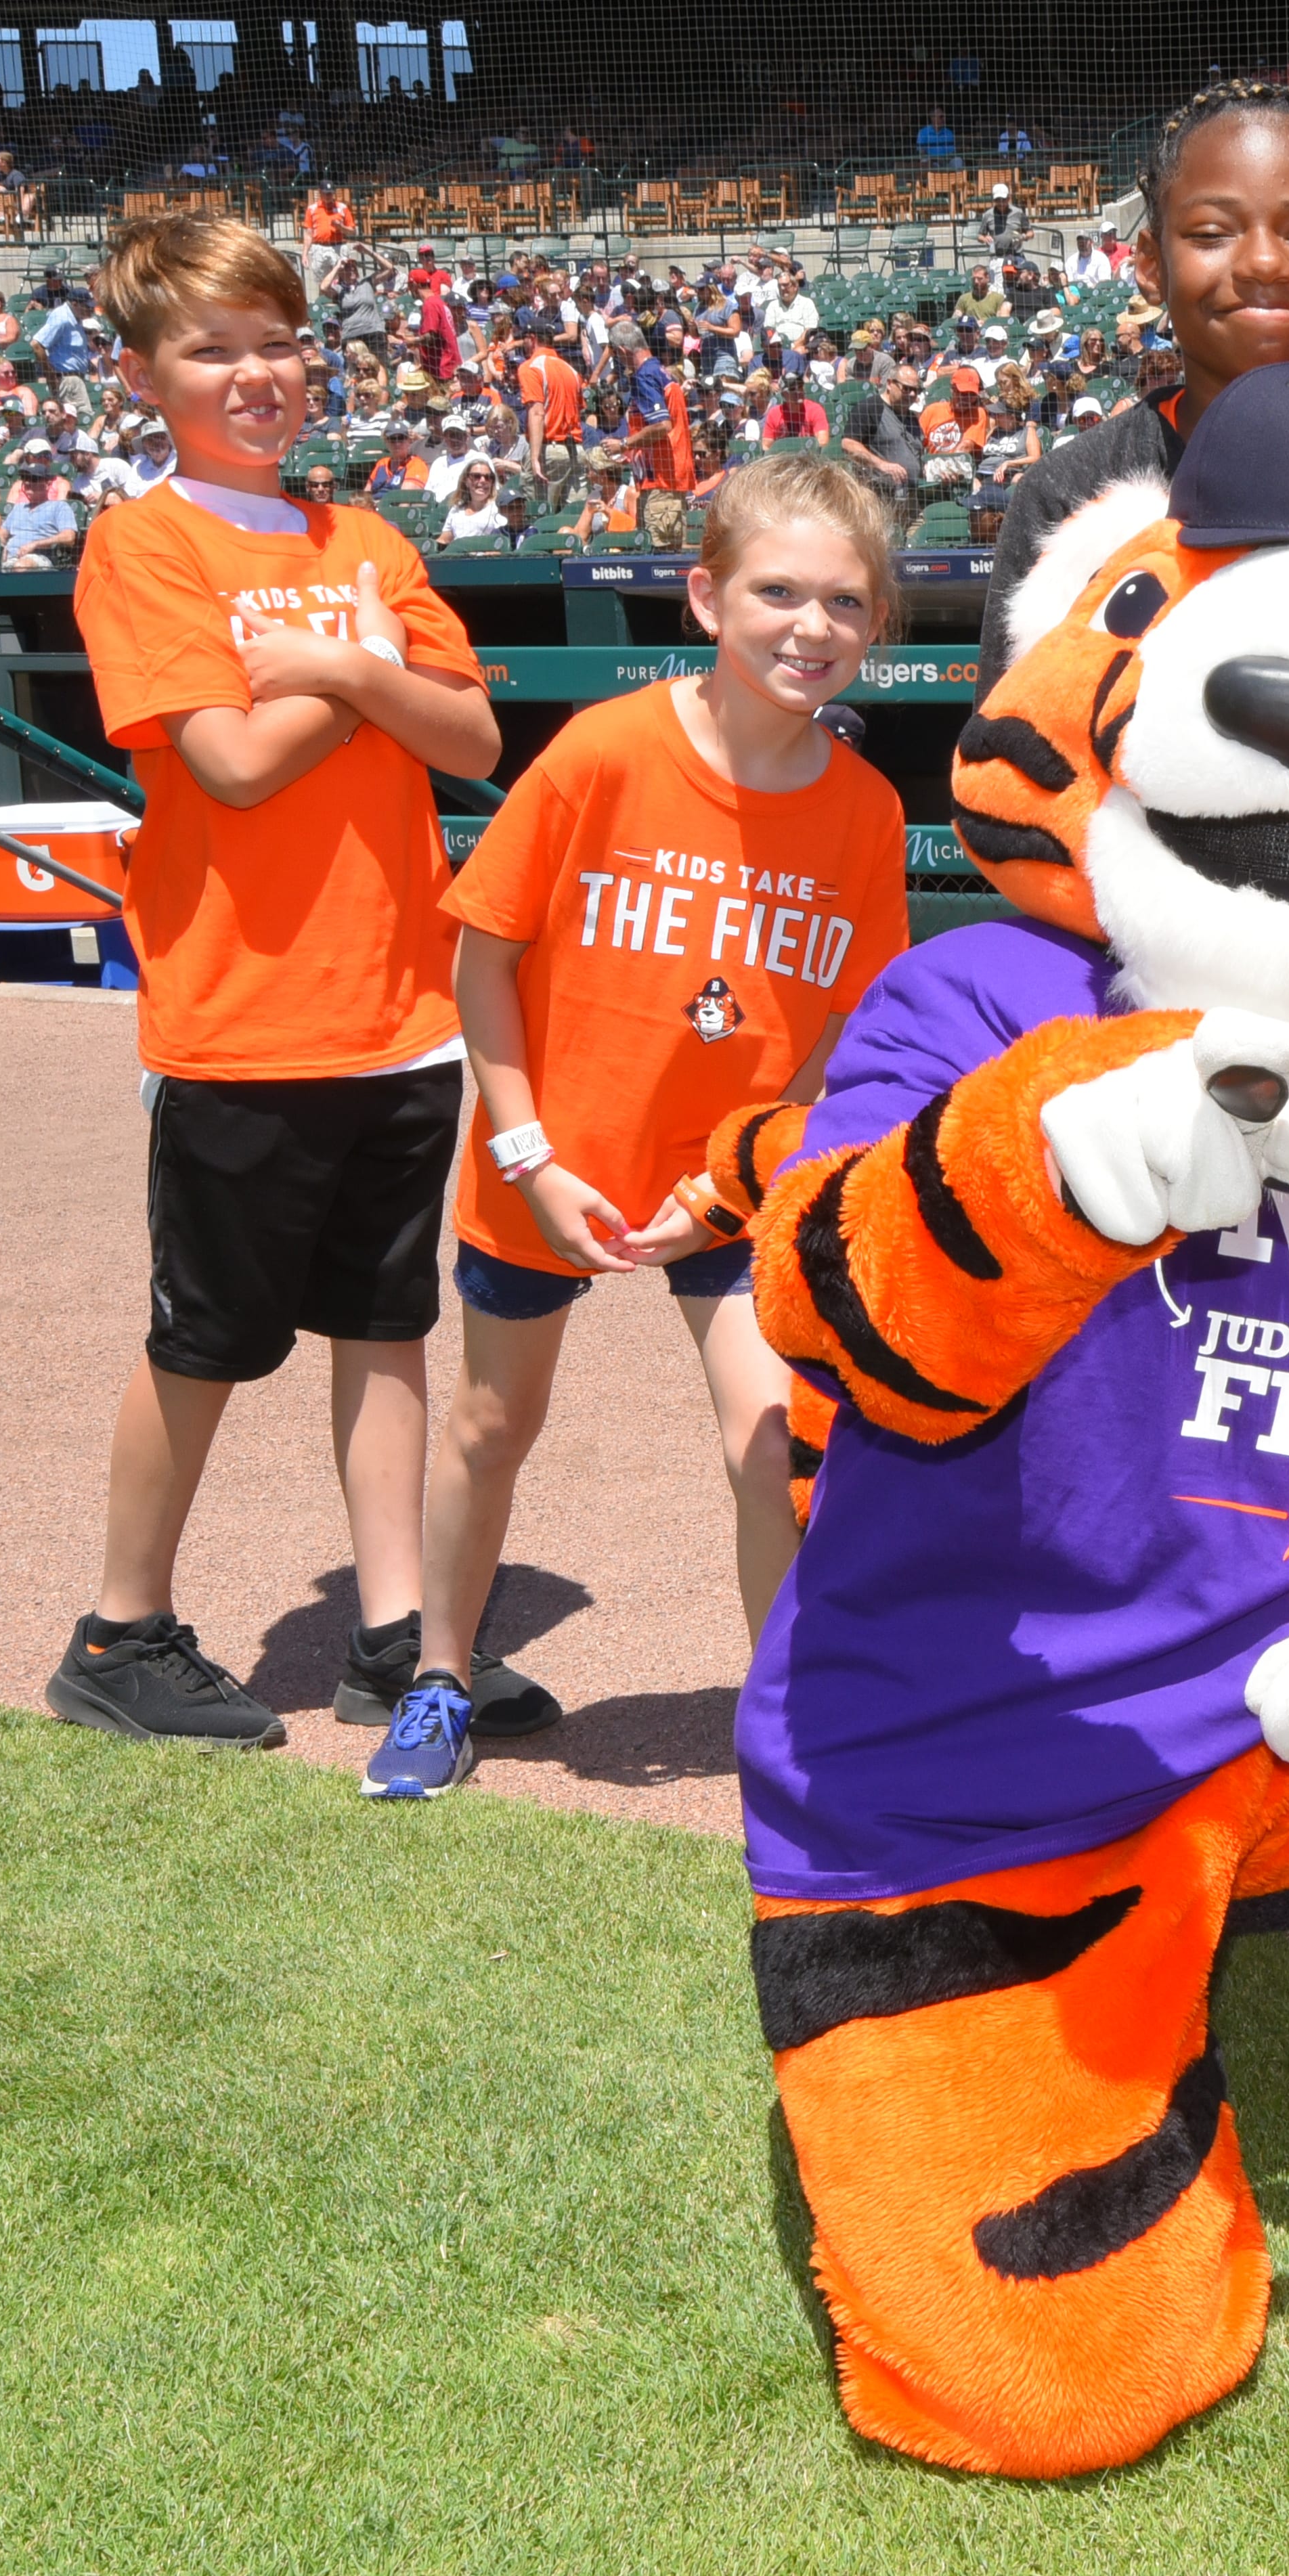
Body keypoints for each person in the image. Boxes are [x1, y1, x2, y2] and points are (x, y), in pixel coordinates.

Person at [48, 215, 503, 1754]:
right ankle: (120, 1628)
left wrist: (349, 672)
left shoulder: (366, 539)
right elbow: (231, 767)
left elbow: (474, 740)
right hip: (240, 1014)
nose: (255, 373)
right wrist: (366, 675)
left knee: (386, 1330)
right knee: (206, 1336)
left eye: (275, 340)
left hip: (401, 1011)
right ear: (143, 374)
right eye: (211, 348)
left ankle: (392, 1633)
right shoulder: (143, 540)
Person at [395, 458, 913, 1798]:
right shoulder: (605, 752)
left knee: (771, 1443)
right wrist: (532, 1157)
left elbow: (844, 1040)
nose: (811, 627)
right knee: (490, 1426)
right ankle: (437, 1677)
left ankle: (782, 1723)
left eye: (846, 603)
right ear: (705, 596)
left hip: (729, 1180)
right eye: (777, 592)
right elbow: (483, 966)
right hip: (545, 1164)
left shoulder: (860, 810)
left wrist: (733, 1182)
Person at [980, 81, 1289, 684]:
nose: (1265, 264)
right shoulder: (1067, 496)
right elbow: (1008, 753)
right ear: (1150, 266)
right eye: (1210, 233)